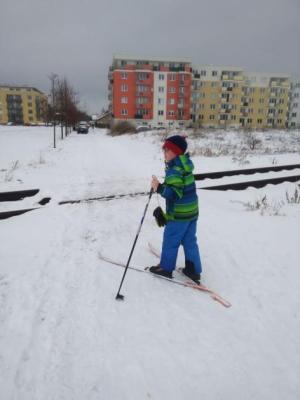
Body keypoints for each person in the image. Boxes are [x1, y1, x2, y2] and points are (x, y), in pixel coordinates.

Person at [150, 135, 202, 282]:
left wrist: (159, 187)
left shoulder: (174, 169)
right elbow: (182, 188)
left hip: (179, 215)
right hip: (191, 212)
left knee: (170, 240)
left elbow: (175, 194)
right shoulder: (185, 165)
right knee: (190, 241)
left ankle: (165, 268)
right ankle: (193, 270)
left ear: (177, 152)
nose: (164, 153)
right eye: (164, 150)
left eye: (168, 150)